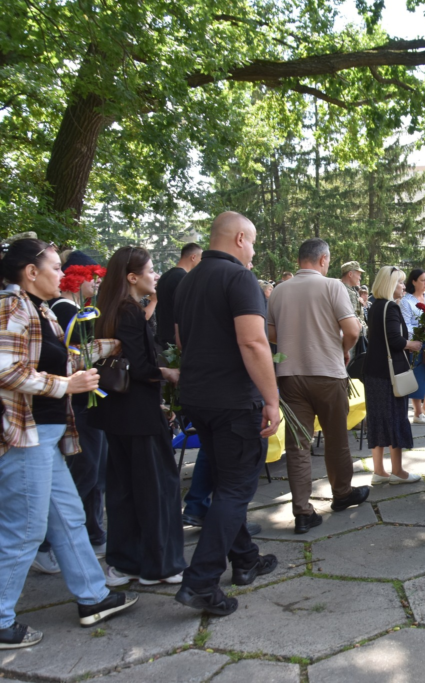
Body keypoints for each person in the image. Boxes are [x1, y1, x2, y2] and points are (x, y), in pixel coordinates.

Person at [0, 239, 138, 648]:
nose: (62, 274)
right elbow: (6, 371)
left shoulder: (41, 310)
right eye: (55, 267)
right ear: (31, 272)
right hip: (25, 437)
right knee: (25, 530)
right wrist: (66, 386)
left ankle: (93, 597)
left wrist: (115, 343)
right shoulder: (12, 306)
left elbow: (67, 358)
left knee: (68, 518)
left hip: (45, 436)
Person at [173, 211, 281, 616]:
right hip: (234, 401)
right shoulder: (239, 278)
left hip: (198, 397)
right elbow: (253, 342)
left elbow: (181, 340)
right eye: (252, 242)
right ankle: (201, 581)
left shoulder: (188, 280)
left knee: (225, 483)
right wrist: (271, 399)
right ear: (239, 239)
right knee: (235, 490)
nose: (253, 250)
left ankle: (246, 558)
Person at [92, 246, 187, 585]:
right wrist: (167, 373)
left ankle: (125, 563)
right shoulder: (129, 312)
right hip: (138, 415)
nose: (155, 275)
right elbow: (140, 366)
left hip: (115, 414)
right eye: (150, 270)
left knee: (124, 491)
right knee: (157, 488)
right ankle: (161, 566)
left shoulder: (109, 309)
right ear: (132, 277)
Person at [267, 240, 367, 534]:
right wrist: (342, 349)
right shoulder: (332, 286)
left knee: (297, 445)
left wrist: (294, 341)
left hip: (290, 375)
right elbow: (352, 330)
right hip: (327, 373)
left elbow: (270, 334)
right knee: (336, 438)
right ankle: (342, 493)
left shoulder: (279, 291)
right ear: (323, 259)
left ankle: (302, 512)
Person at [42, 252, 108, 565]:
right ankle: (47, 543)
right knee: (86, 472)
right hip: (77, 401)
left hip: (85, 399)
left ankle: (93, 531)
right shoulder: (64, 309)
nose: (96, 282)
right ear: (76, 277)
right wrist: (110, 346)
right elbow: (80, 355)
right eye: (91, 277)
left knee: (95, 473)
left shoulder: (70, 308)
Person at [364, 266, 424, 485]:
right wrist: (412, 344)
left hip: (373, 371)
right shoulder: (390, 307)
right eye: (399, 282)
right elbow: (395, 340)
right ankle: (397, 471)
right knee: (396, 418)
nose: (403, 286)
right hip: (389, 374)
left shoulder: (375, 306)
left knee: (378, 419)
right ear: (390, 284)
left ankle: (379, 471)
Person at [399, 268, 425, 424]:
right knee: (419, 375)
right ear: (413, 281)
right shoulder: (406, 301)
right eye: (422, 280)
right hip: (416, 342)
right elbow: (405, 326)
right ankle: (417, 412)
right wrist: (423, 331)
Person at [155, 243, 202, 348]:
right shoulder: (185, 279)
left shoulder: (164, 277)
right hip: (176, 338)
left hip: (162, 333)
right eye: (200, 259)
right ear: (193, 257)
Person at [340, 261, 367, 332]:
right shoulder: (347, 292)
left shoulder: (349, 290)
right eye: (359, 275)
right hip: (354, 333)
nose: (360, 278)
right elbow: (353, 317)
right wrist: (366, 330)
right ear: (350, 274)